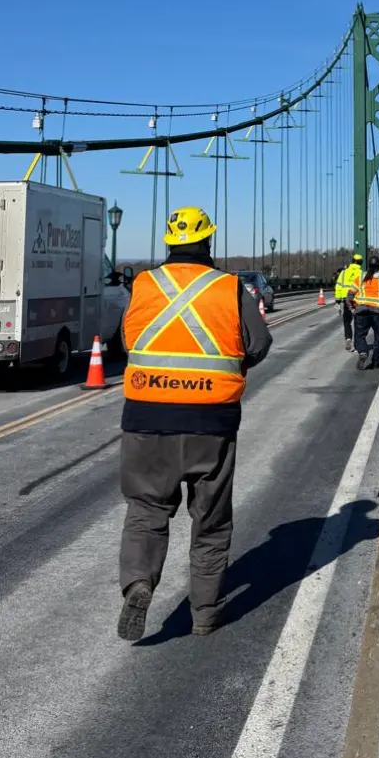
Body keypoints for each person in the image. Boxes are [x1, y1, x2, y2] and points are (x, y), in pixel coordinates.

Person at [116, 206, 271, 643]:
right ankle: (205, 613)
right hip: (211, 422)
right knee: (211, 522)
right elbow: (258, 344)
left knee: (146, 510)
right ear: (208, 242)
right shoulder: (229, 287)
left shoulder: (143, 284)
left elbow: (127, 341)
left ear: (169, 243)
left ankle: (139, 582)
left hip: (147, 419)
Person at [352, 251, 379, 370]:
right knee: (378, 337)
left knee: (360, 335)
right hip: (378, 313)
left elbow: (350, 294)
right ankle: (376, 360)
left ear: (368, 265)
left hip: (361, 312)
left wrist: (352, 308)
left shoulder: (360, 277)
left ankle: (363, 352)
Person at [334, 247, 363, 350]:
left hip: (346, 301)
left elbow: (338, 286)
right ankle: (357, 343)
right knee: (358, 322)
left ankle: (348, 338)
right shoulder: (362, 274)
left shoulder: (343, 273)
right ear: (361, 262)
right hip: (358, 301)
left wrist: (337, 300)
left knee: (347, 321)